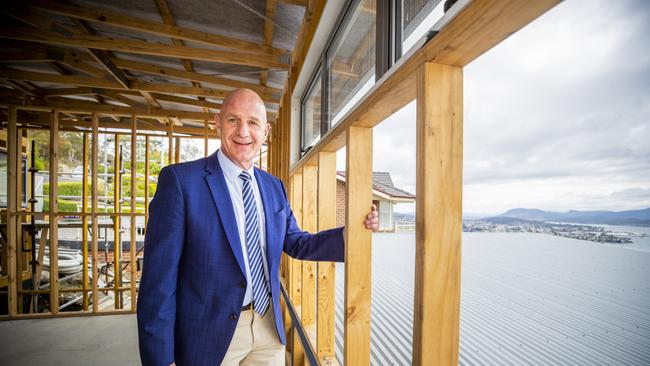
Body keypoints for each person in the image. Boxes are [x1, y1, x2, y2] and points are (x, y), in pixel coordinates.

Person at [137, 88, 379, 366]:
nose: (243, 131)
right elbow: (158, 282)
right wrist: (160, 359)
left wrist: (349, 235)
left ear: (265, 131)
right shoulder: (181, 181)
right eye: (233, 120)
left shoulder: (273, 186)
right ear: (217, 122)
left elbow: (297, 242)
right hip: (206, 335)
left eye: (252, 122)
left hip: (267, 328)